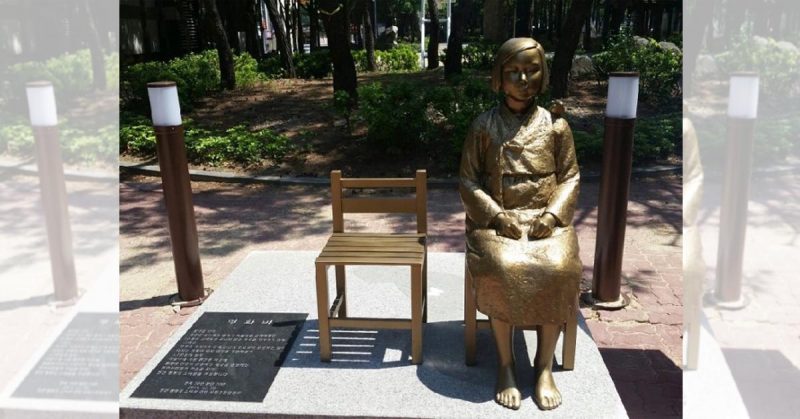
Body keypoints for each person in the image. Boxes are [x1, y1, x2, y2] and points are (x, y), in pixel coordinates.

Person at [459, 37, 582, 411]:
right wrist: (496, 215)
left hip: (546, 221)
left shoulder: (556, 126)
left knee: (559, 268)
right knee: (504, 267)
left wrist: (551, 216)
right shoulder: (483, 125)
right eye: (514, 71)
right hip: (497, 221)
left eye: (532, 70)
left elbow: (571, 177)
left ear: (543, 75)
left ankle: (543, 366)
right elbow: (467, 181)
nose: (523, 79)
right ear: (499, 77)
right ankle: (507, 364)